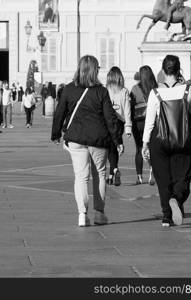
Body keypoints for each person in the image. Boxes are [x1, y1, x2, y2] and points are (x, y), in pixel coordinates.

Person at [51, 55, 124, 227]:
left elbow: (59, 113)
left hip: (76, 138)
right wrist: (117, 140)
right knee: (99, 175)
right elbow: (110, 118)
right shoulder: (101, 91)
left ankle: (82, 214)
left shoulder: (69, 89)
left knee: (81, 177)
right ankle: (99, 213)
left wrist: (55, 134)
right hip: (98, 139)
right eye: (97, 68)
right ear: (94, 70)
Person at [142, 55, 191, 227]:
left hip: (159, 140)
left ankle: (166, 217)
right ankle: (177, 198)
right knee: (184, 175)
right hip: (182, 139)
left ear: (163, 70)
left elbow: (150, 121)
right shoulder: (187, 90)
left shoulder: (155, 93)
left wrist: (145, 143)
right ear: (178, 69)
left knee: (163, 179)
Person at [130, 66, 157, 185]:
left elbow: (130, 106)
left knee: (139, 149)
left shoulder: (135, 88)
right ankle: (152, 171)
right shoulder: (156, 88)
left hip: (138, 122)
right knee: (152, 148)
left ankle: (139, 177)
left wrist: (129, 123)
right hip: (152, 122)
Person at [105, 66, 132, 186]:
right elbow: (127, 110)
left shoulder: (106, 90)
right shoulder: (124, 91)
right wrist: (128, 127)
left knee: (110, 147)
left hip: (108, 122)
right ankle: (111, 174)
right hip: (120, 122)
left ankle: (114, 170)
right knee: (115, 146)